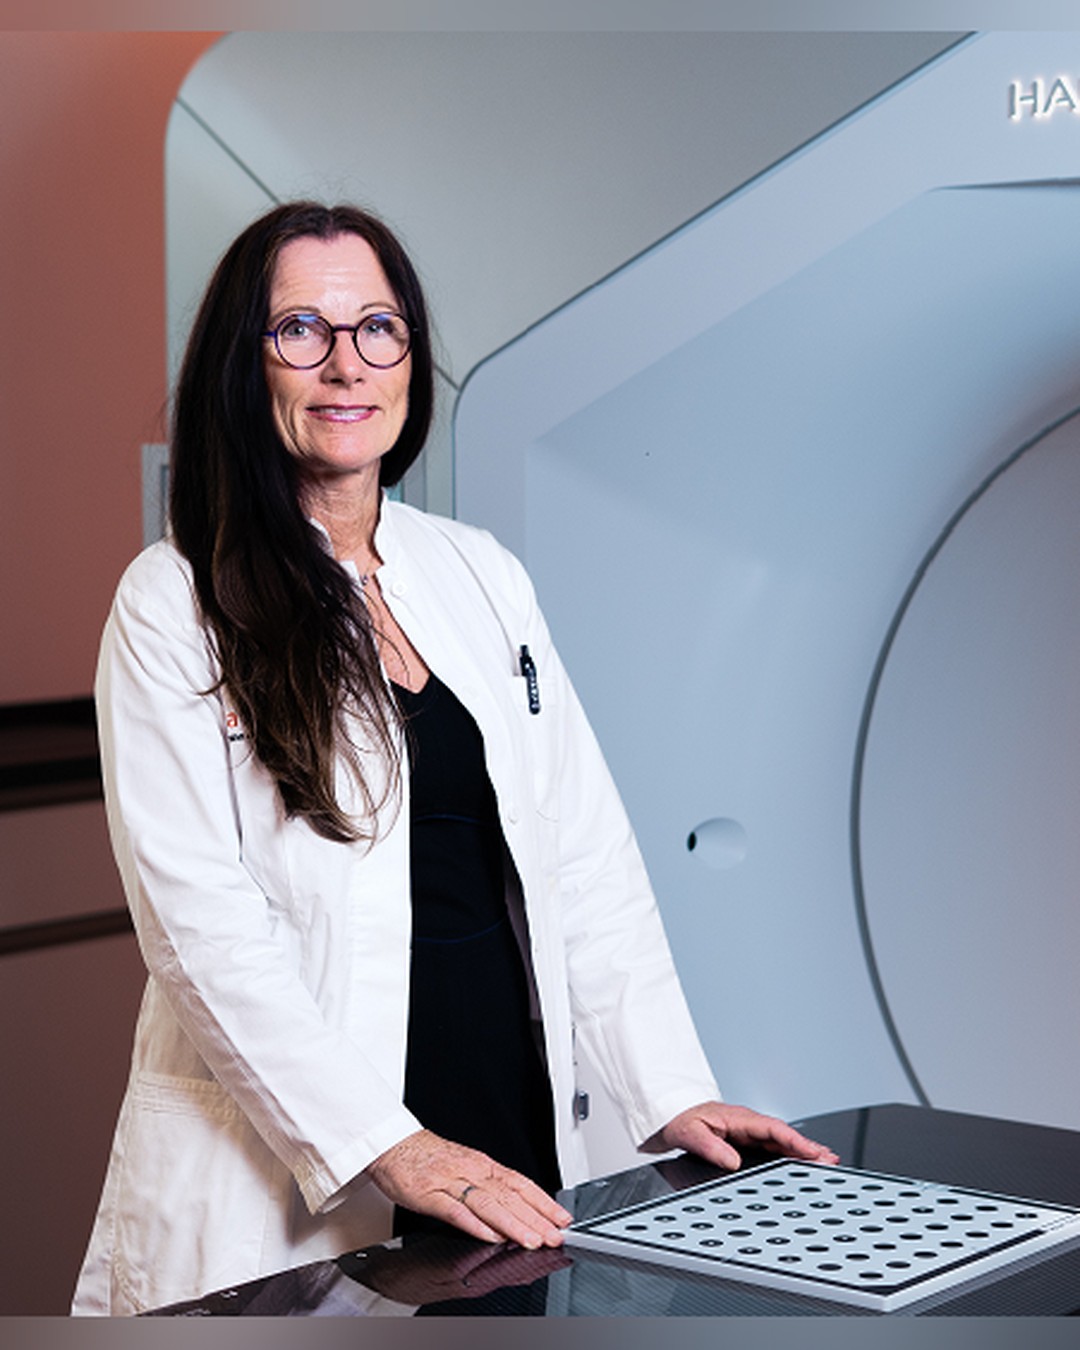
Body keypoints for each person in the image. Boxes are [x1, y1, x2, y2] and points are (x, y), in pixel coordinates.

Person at [72, 201, 836, 1316]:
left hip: (499, 1133)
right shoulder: (175, 601)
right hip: (320, 1160)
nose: (347, 364)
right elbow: (200, 931)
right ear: (246, 363)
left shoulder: (479, 573)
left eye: (378, 328)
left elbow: (585, 858)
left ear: (412, 358)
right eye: (301, 330)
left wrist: (667, 1090)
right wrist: (389, 1145)